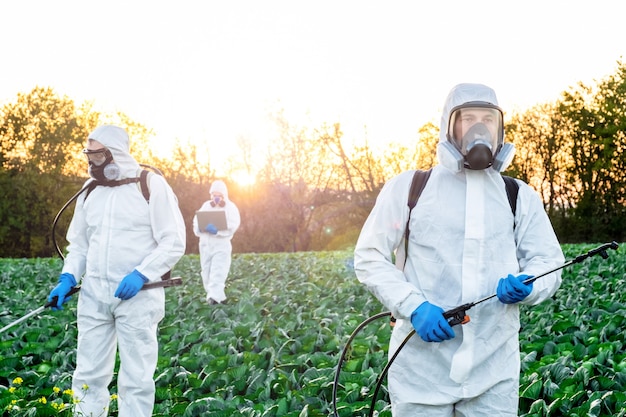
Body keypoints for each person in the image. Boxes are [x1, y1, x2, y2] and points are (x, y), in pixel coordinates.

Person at [353, 83, 564, 416]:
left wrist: (529, 282)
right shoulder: (410, 188)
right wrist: (414, 306)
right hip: (421, 371)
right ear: (448, 126)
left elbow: (548, 260)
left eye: (488, 120)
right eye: (468, 119)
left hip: (493, 369)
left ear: (499, 128)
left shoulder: (518, 195)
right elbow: (369, 257)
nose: (479, 128)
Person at [47, 125, 186, 417]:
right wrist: (68, 277)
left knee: (135, 379)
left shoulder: (149, 184)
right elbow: (80, 244)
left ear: (115, 153)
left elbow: (173, 241)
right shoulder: (90, 190)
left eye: (98, 155)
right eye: (89, 155)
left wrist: (141, 273)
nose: (92, 163)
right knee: (88, 375)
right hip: (94, 294)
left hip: (137, 296)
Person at [193, 180, 240, 304]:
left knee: (218, 271)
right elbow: (196, 221)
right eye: (214, 195)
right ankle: (218, 298)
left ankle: (213, 299)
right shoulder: (206, 205)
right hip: (205, 245)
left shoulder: (230, 207)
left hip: (221, 245)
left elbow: (234, 224)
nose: (216, 198)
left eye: (219, 195)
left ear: (224, 195)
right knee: (206, 273)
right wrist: (201, 227)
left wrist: (218, 230)